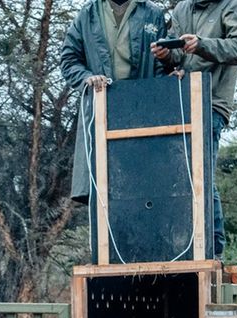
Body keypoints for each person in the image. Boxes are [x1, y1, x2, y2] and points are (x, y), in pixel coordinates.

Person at [150, 0, 237, 257]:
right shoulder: (182, 9)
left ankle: (213, 249)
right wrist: (167, 54)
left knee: (202, 173)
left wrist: (203, 44)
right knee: (182, 174)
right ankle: (185, 247)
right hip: (182, 101)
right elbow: (178, 56)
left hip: (212, 101)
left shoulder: (234, 4)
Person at [61, 0, 171, 203]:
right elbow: (69, 60)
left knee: (143, 187)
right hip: (102, 106)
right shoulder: (88, 13)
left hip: (142, 109)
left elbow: (162, 66)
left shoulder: (152, 13)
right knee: (101, 187)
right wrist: (87, 78)